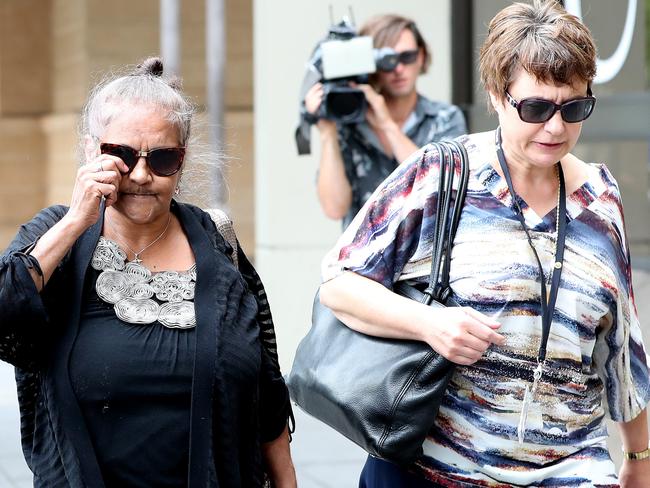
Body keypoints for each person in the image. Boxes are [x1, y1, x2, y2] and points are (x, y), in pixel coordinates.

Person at [319, 1, 650, 486]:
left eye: (574, 107)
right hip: (435, 468)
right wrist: (429, 323)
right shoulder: (441, 174)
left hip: (571, 468)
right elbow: (339, 284)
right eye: (536, 108)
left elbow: (621, 343)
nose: (555, 127)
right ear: (497, 96)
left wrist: (638, 458)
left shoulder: (600, 198)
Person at [0, 57, 296, 488]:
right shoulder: (54, 236)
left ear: (182, 158)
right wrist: (75, 223)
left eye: (161, 158)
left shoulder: (217, 242)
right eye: (119, 155)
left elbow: (266, 395)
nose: (140, 175)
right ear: (91, 151)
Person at [304, 14, 467, 228]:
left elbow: (442, 187)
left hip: (427, 257)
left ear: (421, 56)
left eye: (407, 57)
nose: (398, 68)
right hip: (364, 259)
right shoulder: (351, 122)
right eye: (387, 61)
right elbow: (334, 208)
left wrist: (387, 126)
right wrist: (327, 133)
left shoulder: (445, 118)